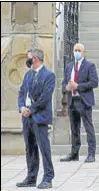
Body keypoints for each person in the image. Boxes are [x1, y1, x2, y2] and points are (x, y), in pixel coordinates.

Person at [17, 48, 55, 189]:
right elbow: (21, 92)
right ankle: (31, 177)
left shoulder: (49, 75)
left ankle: (48, 177)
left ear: (35, 59)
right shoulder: (28, 75)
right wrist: (21, 107)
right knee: (30, 148)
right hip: (26, 118)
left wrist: (31, 110)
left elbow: (45, 97)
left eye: (28, 57)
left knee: (44, 148)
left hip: (39, 117)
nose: (27, 60)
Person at [60, 43, 98, 163]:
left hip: (84, 100)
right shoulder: (69, 66)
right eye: (75, 50)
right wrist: (67, 87)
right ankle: (74, 153)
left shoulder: (89, 66)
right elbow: (63, 83)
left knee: (88, 128)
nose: (77, 52)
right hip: (72, 101)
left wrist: (78, 86)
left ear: (84, 52)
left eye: (79, 50)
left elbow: (94, 82)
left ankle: (91, 153)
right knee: (74, 128)